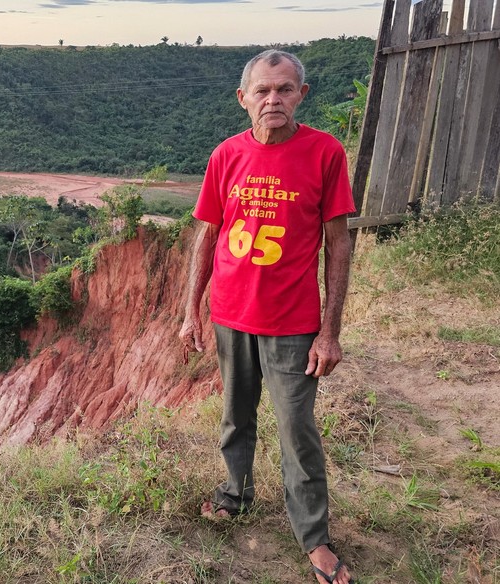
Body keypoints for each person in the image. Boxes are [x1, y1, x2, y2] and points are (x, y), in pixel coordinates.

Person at [178, 49, 355, 584]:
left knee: (296, 428)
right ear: (243, 99)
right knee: (236, 416)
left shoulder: (325, 154)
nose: (273, 99)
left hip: (293, 323)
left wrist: (330, 331)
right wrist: (191, 312)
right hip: (230, 315)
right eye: (263, 90)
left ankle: (313, 537)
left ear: (302, 94)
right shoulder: (226, 155)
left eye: (284, 89)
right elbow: (207, 237)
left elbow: (338, 244)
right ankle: (235, 493)